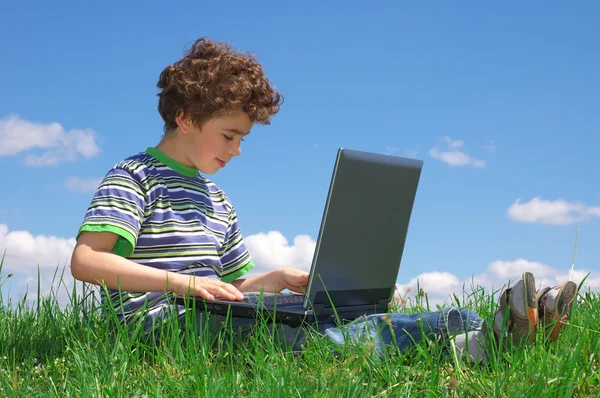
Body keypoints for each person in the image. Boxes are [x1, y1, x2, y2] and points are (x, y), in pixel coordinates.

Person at [70, 37, 578, 363]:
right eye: (229, 135)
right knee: (309, 341)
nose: (238, 150)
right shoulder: (136, 177)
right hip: (163, 326)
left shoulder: (217, 200)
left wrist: (274, 281)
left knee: (331, 313)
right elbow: (87, 261)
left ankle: (488, 326)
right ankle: (473, 347)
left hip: (210, 313)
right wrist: (181, 282)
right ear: (185, 116)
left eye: (243, 138)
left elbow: (229, 287)